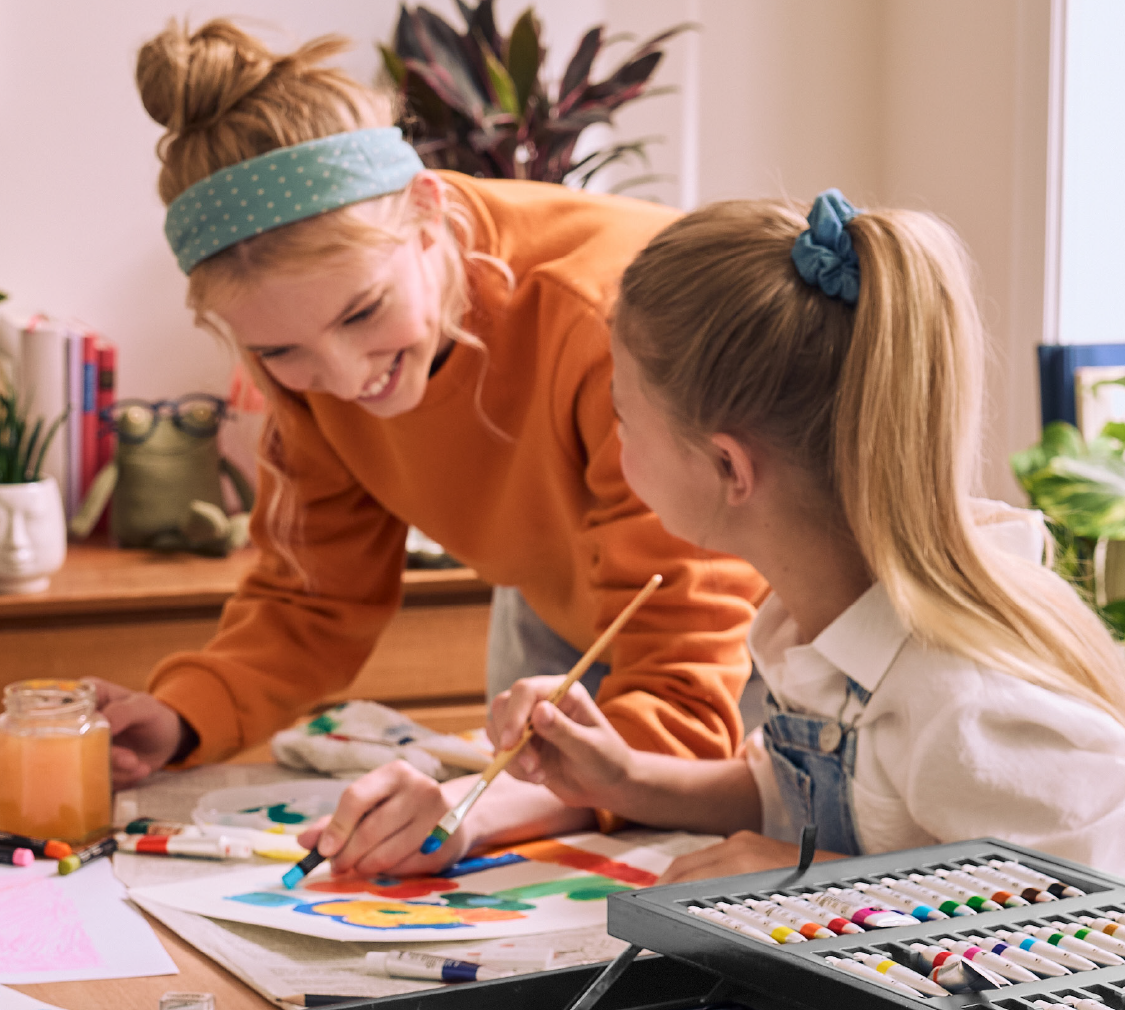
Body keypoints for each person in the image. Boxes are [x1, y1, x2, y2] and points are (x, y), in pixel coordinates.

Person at [91, 19, 768, 879]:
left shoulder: (611, 319)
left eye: (363, 312)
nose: (340, 377)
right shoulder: (317, 371)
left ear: (428, 214)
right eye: (278, 353)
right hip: (563, 608)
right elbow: (313, 600)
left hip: (774, 643)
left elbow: (685, 684)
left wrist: (475, 807)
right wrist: (182, 714)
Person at [490, 190, 1125, 907]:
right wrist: (627, 780)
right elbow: (808, 796)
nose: (611, 441)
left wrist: (815, 887)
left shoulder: (965, 699)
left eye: (622, 413)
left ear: (728, 467)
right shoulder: (822, 619)